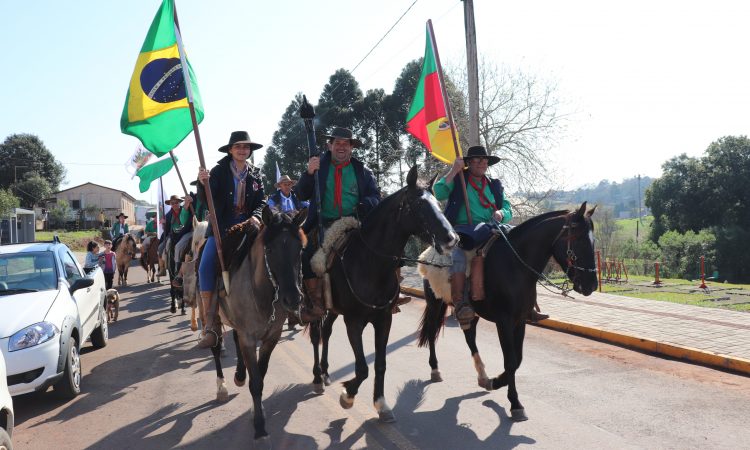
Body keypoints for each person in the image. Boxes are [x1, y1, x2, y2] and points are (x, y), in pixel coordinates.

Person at [296, 126, 380, 322]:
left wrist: (364, 204)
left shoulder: (362, 171)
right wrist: (308, 173)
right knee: (305, 253)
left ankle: (389, 294)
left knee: (383, 245)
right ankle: (314, 301)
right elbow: (301, 193)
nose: (341, 147)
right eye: (337, 143)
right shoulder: (318, 166)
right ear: (329, 145)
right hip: (323, 223)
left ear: (352, 147)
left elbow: (376, 196)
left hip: (354, 224)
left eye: (346, 143)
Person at [433, 145, 519, 329]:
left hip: (492, 228)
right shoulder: (458, 179)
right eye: (477, 160)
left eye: (485, 160)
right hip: (463, 230)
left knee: (518, 248)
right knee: (458, 256)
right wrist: (454, 169)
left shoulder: (495, 185)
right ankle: (461, 303)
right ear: (468, 163)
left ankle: (525, 300)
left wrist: (501, 214)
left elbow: (507, 208)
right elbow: (438, 193)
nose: (482, 163)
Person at [196, 131, 267, 348]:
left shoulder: (256, 174)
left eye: (246, 147)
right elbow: (206, 199)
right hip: (222, 229)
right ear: (230, 150)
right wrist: (202, 183)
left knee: (278, 252)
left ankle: (284, 304)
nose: (243, 150)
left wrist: (256, 216)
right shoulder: (217, 172)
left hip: (250, 228)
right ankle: (211, 322)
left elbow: (262, 200)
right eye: (238, 147)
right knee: (205, 266)